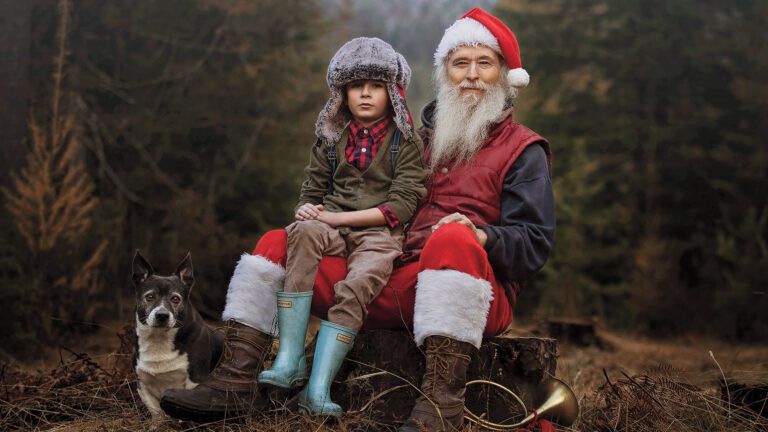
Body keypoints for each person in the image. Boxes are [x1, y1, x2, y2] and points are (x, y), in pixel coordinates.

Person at [161, 8, 555, 432]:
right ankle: (234, 381)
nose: (472, 75)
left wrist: (480, 234)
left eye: (485, 63)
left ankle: (441, 406)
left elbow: (533, 245)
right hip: (385, 279)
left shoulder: (523, 150)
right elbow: (351, 183)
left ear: (505, 75)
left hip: (470, 296)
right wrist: (318, 212)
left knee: (453, 240)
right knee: (279, 241)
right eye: (461, 63)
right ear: (445, 73)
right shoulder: (411, 139)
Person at [257, 37, 428, 417]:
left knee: (358, 284)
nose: (365, 94)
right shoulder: (331, 137)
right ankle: (289, 359)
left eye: (376, 86)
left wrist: (336, 218)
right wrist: (306, 209)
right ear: (342, 92)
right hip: (329, 223)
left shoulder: (406, 142)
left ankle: (318, 388)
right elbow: (312, 188)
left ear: (393, 92)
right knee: (300, 232)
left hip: (379, 233)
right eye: (355, 86)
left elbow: (402, 204)